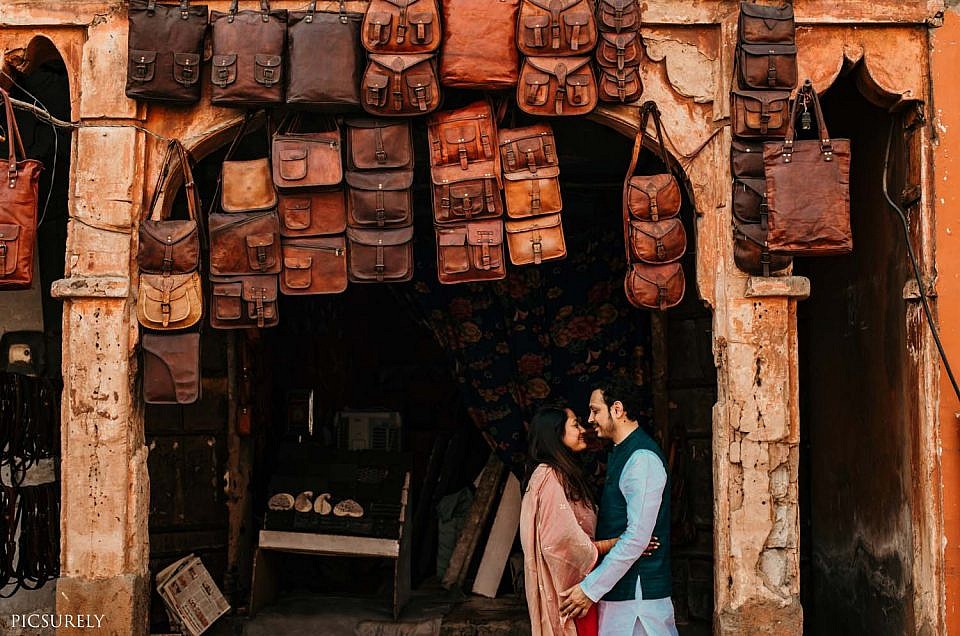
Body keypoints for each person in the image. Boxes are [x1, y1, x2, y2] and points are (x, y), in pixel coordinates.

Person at [520, 405, 659, 636]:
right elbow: (561, 545)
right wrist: (620, 543)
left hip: (583, 587)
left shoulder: (564, 474)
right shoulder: (548, 476)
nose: (584, 429)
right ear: (556, 434)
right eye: (575, 425)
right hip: (571, 593)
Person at [558, 377, 678, 636]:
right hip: (622, 596)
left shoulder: (642, 459)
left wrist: (589, 589)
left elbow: (637, 537)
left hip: (638, 598)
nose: (590, 419)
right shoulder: (622, 453)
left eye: (595, 410)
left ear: (618, 409)